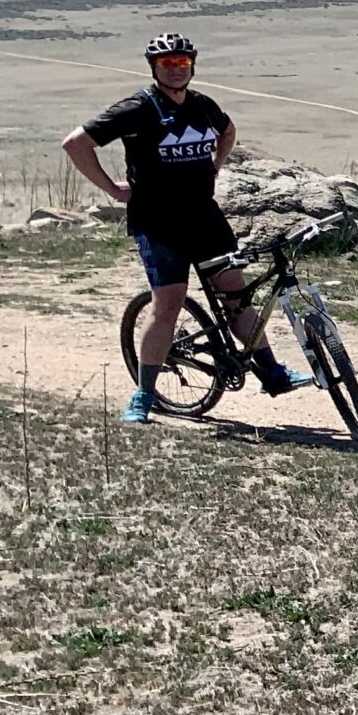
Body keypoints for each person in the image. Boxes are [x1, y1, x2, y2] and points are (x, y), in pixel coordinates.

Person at [61, 32, 305, 424]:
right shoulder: (137, 108)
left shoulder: (203, 105)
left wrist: (215, 166)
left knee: (236, 297)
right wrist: (111, 189)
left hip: (205, 218)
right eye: (167, 65)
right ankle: (144, 395)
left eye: (182, 64)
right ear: (154, 68)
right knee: (168, 304)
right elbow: (76, 144)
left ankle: (272, 373)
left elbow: (228, 132)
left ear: (192, 66)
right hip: (158, 223)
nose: (176, 70)